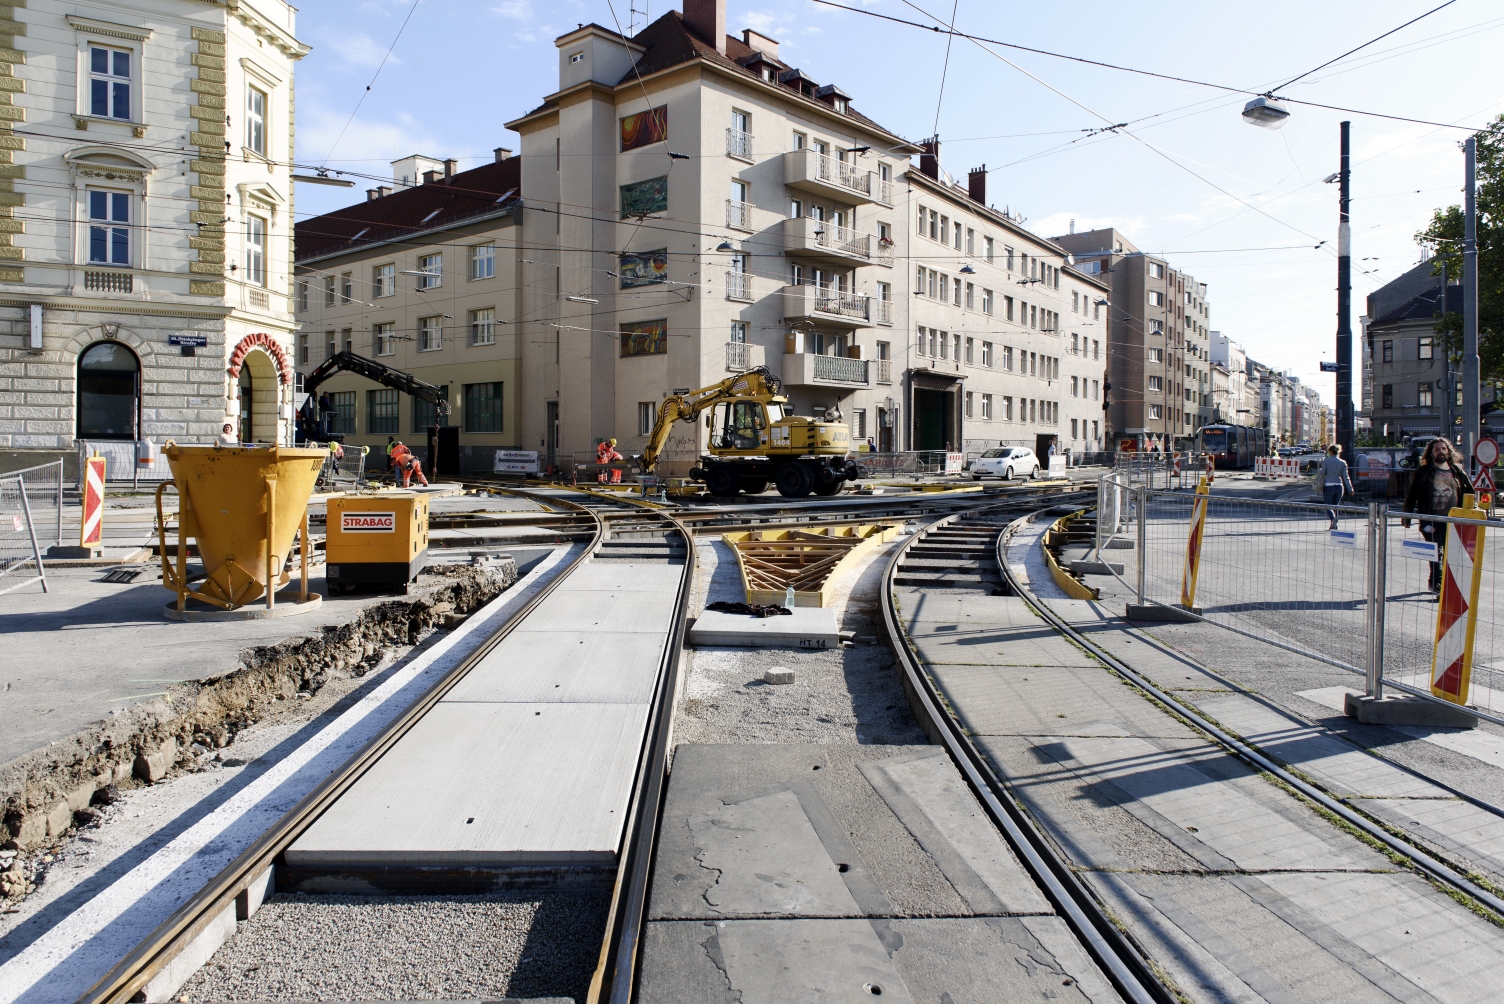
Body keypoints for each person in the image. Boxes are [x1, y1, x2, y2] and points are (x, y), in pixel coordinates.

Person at [1402, 438, 1472, 593]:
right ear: (1431, 453)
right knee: (1436, 553)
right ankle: (1437, 585)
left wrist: (1471, 513)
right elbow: (1411, 495)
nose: (1441, 451)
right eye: (1437, 449)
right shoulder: (1423, 472)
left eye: (1444, 448)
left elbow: (1469, 492)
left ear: (1449, 451)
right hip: (1431, 520)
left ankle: (1443, 584)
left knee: (1450, 555)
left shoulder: (1457, 471)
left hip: (1453, 521)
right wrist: (1406, 516)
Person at [1319, 444, 1355, 530]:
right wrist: (1350, 488)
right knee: (1336, 506)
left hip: (1328, 486)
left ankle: (1333, 520)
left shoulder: (1326, 461)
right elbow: (1346, 477)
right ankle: (1334, 524)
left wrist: (1320, 470)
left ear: (1330, 452)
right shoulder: (1343, 462)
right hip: (1339, 486)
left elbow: (1322, 473)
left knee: (1328, 506)